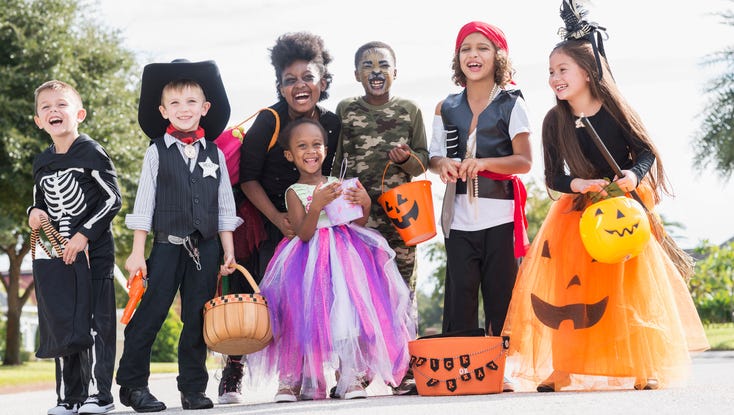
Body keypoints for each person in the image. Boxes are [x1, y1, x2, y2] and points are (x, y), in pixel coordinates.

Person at [501, 0, 709, 392]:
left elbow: (645, 152)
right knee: (570, 289)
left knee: (629, 287)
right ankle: (563, 367)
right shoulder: (554, 121)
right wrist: (578, 185)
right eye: (551, 72)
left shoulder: (615, 110)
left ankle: (643, 365)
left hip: (622, 212)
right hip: (578, 214)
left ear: (587, 71)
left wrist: (633, 174)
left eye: (562, 69)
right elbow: (553, 177)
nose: (554, 78)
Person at [247, 117, 415, 402]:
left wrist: (365, 203)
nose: (310, 151)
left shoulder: (337, 183)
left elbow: (355, 221)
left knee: (346, 315)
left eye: (317, 144)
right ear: (289, 155)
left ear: (326, 150)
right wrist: (316, 205)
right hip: (306, 261)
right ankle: (296, 380)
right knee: (302, 317)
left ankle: (349, 377)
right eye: (302, 146)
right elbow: (303, 233)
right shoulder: (293, 192)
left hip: (344, 256)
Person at [217, 31, 341, 404]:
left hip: (314, 220)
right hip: (268, 217)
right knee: (262, 296)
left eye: (308, 77)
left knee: (316, 297)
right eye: (290, 80)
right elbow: (248, 178)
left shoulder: (332, 124)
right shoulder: (269, 121)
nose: (299, 85)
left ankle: (313, 373)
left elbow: (331, 174)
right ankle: (233, 371)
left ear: (323, 82)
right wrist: (277, 218)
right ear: (280, 86)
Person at [116, 59, 241, 412]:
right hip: (166, 247)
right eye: (174, 103)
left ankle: (192, 388)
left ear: (205, 107)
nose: (183, 109)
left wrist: (228, 251)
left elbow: (224, 205)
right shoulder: (156, 151)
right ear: (163, 111)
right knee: (151, 313)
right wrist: (137, 252)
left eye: (191, 102)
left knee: (197, 317)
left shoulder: (215, 153)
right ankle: (133, 385)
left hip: (207, 248)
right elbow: (144, 203)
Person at [332, 40, 429, 395]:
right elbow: (335, 163)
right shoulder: (345, 110)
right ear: (357, 74)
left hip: (401, 219)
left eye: (383, 65)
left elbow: (423, 164)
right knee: (357, 294)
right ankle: (356, 371)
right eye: (368, 65)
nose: (376, 71)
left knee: (402, 293)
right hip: (357, 220)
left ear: (395, 72)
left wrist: (406, 159)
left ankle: (403, 372)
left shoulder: (409, 110)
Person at [428, 22, 531, 338]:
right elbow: (433, 157)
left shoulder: (512, 104)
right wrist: (443, 164)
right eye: (466, 49)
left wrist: (483, 163)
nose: (473, 55)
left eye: (482, 48)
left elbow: (524, 161)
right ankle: (462, 361)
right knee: (460, 302)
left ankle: (505, 362)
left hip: (500, 217)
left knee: (503, 300)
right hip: (457, 219)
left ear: (499, 56)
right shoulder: (445, 107)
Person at [29, 80, 121, 415]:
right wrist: (33, 212)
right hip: (61, 258)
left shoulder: (91, 151)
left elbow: (112, 199)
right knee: (65, 324)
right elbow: (39, 201)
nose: (54, 111)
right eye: (46, 107)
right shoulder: (42, 162)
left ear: (79, 114)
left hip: (93, 255)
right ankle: (70, 396)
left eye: (61, 105)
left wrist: (84, 234)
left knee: (96, 325)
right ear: (39, 121)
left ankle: (100, 394)